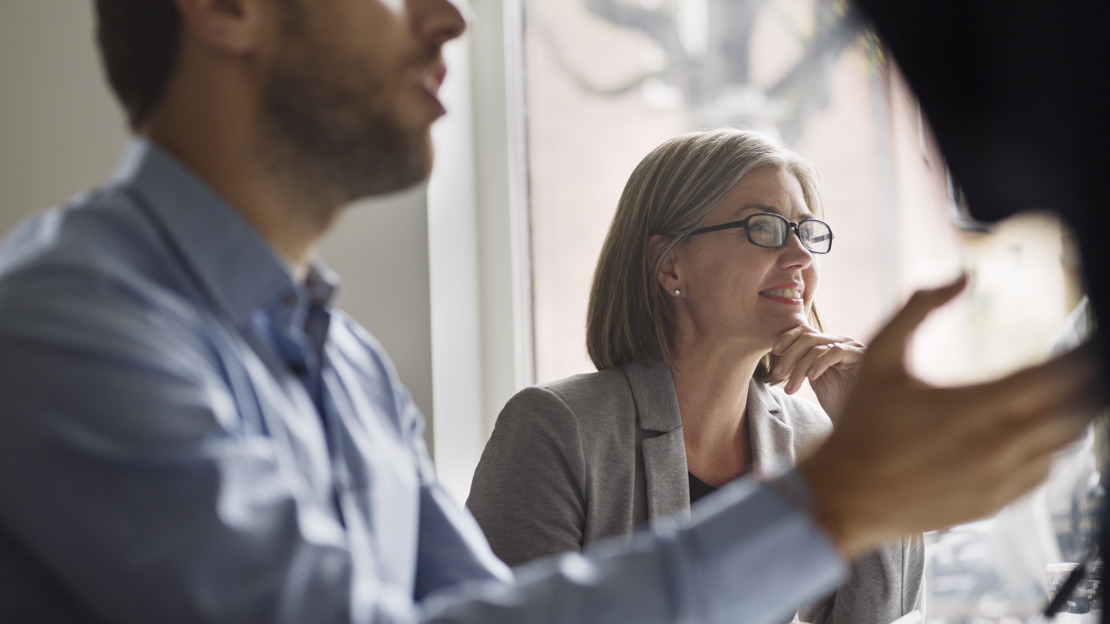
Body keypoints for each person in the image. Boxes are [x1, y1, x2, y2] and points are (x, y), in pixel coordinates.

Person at [0, 1, 1100, 623]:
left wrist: (857, 492)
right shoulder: (66, 327)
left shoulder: (349, 369)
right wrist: (832, 502)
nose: (449, 19)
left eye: (804, 232)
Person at [466, 128, 922, 624]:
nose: (801, 258)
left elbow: (888, 615)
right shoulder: (556, 429)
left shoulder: (818, 442)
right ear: (670, 265)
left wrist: (872, 447)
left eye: (806, 232)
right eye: (764, 227)